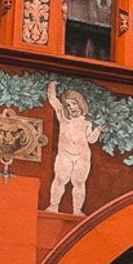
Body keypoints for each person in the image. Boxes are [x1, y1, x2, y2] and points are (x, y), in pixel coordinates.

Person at [46, 81, 103, 214]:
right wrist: (52, 85)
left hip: (82, 156)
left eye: (74, 103)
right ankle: (54, 206)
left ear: (80, 104)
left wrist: (98, 130)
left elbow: (91, 140)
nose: (71, 107)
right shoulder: (63, 118)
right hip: (65, 154)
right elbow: (52, 99)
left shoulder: (86, 123)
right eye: (68, 105)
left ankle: (77, 210)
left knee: (79, 183)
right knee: (60, 179)